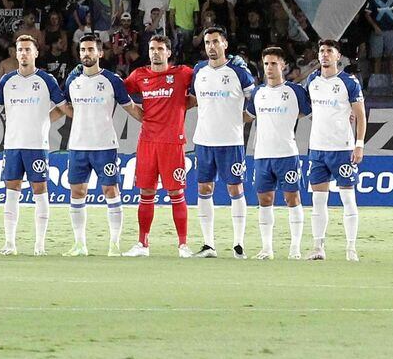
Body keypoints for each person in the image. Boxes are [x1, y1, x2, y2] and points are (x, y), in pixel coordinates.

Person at [123, 35, 196, 257]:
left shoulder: (183, 74)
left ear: (169, 53)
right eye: (152, 48)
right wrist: (137, 113)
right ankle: (142, 244)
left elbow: (203, 84)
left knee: (176, 192)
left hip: (172, 142)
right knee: (146, 192)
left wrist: (183, 107)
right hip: (147, 142)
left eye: (160, 49)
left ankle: (183, 245)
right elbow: (119, 91)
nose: (155, 52)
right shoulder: (139, 75)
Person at [0, 33, 69, 255]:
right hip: (12, 145)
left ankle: (40, 244)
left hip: (37, 144)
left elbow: (62, 106)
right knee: (11, 191)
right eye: (20, 50)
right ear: (15, 53)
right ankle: (10, 243)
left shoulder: (46, 80)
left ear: (36, 53)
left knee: (40, 190)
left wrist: (45, 120)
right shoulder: (7, 81)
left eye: (28, 49)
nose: (24, 53)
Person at [63, 32, 131, 256]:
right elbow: (67, 107)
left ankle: (114, 244)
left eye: (91, 49)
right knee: (77, 192)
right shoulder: (73, 81)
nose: (86, 54)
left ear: (100, 53)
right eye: (83, 50)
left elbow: (130, 107)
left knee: (111, 190)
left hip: (105, 145)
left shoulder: (112, 80)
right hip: (78, 145)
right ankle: (79, 244)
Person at [190, 28, 255, 258]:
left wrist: (246, 117)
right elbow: (193, 98)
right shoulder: (199, 70)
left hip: (231, 141)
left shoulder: (238, 70)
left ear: (225, 44)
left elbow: (254, 97)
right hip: (204, 140)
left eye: (216, 41)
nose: (211, 46)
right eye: (207, 42)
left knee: (235, 188)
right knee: (204, 188)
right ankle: (209, 245)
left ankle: (238, 245)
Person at [304, 39, 366, 263]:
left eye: (329, 51)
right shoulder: (312, 80)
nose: (324, 55)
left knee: (348, 198)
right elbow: (309, 110)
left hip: (342, 149)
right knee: (318, 201)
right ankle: (318, 246)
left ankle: (350, 248)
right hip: (318, 149)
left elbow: (360, 115)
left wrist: (359, 144)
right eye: (321, 51)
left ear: (338, 56)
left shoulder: (349, 83)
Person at [246, 46, 309, 261]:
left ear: (283, 65)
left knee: (292, 198)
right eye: (266, 64)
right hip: (262, 154)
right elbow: (249, 116)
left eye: (273, 63)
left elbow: (310, 111)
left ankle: (295, 248)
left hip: (287, 154)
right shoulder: (258, 93)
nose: (269, 68)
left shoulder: (295, 91)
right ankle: (266, 248)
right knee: (264, 199)